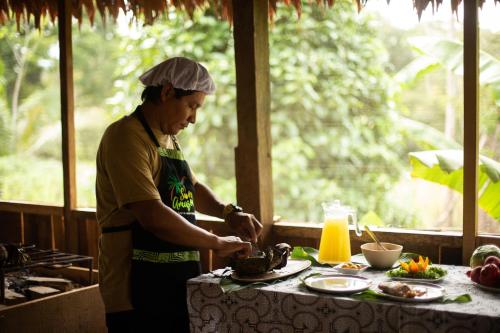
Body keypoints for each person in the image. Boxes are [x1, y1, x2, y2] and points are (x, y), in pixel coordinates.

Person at [96, 57, 263, 333]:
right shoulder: (126, 137)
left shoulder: (167, 138)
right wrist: (215, 241)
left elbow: (191, 188)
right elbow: (151, 214)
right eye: (191, 106)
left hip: (175, 277)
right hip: (134, 286)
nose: (194, 119)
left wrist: (229, 212)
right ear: (167, 92)